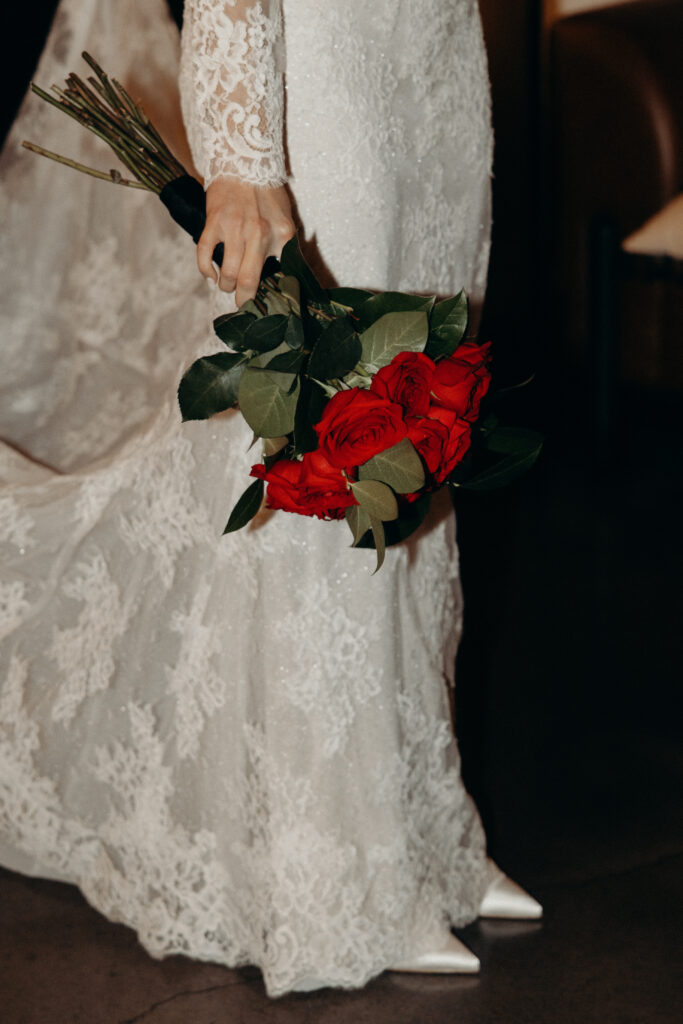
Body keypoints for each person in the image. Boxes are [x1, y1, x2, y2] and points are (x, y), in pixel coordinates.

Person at [0, 0, 540, 997]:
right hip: (323, 72)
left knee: (418, 424)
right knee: (329, 430)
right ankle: (332, 862)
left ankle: (425, 825)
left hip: (436, 69)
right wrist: (243, 159)